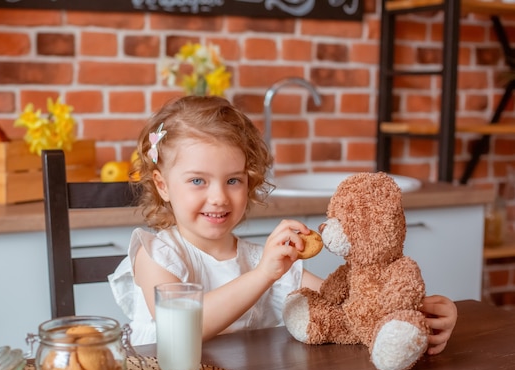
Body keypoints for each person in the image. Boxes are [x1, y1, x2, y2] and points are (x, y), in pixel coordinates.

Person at [108, 95, 457, 353]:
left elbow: (351, 303)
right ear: (163, 185)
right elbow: (178, 330)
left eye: (233, 180)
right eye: (198, 181)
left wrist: (420, 311)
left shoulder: (262, 260)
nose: (218, 197)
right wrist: (263, 275)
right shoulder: (156, 254)